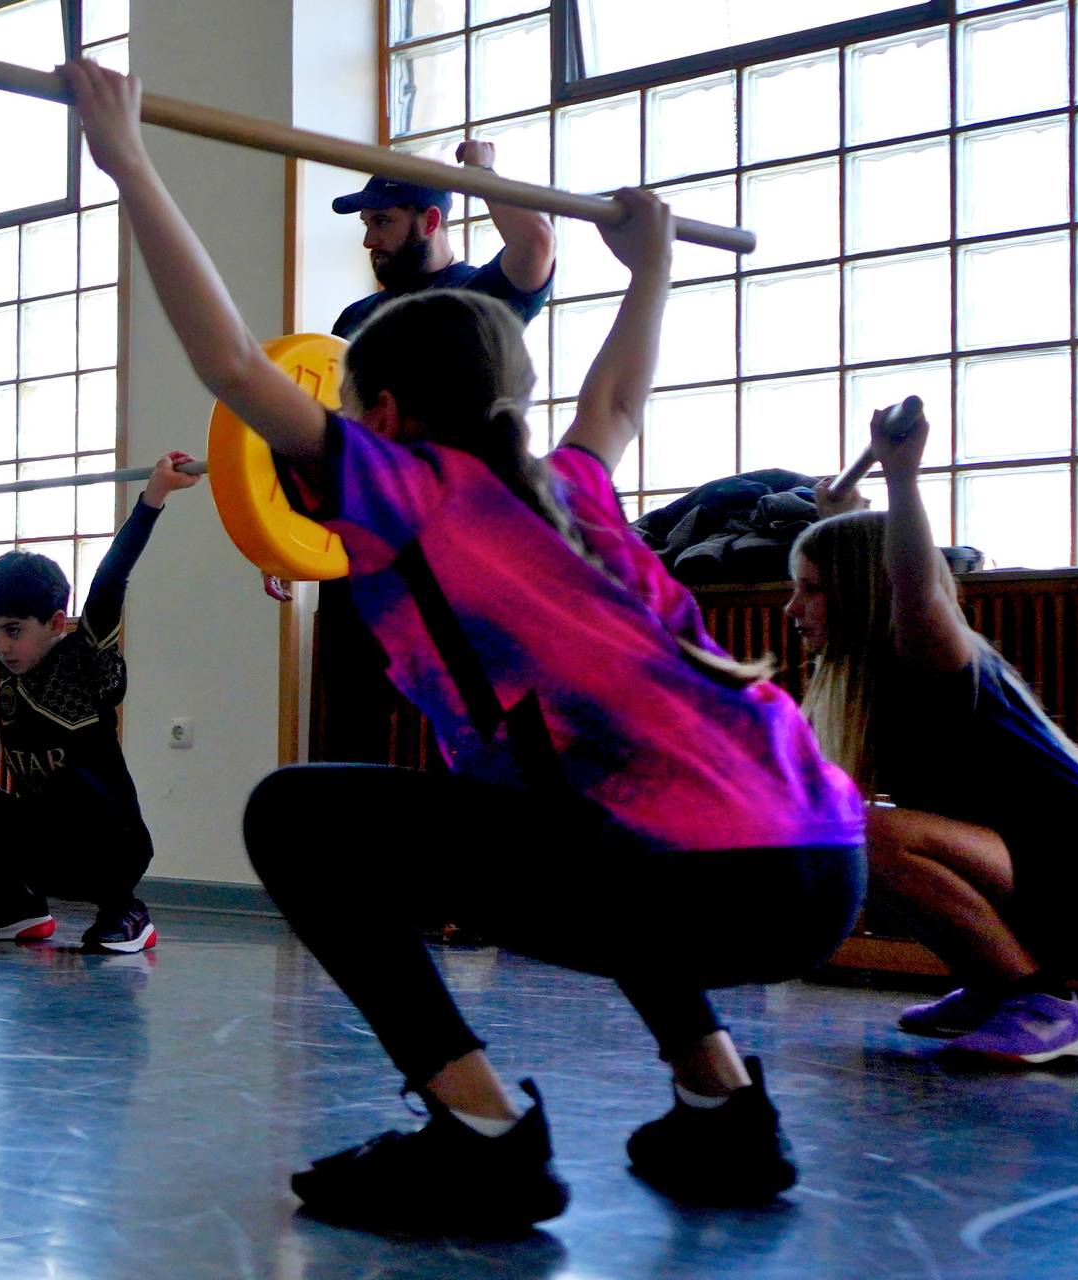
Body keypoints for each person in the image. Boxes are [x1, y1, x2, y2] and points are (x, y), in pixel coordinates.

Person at [67, 60, 867, 1232]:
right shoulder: (574, 491)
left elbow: (232, 365)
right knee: (592, 801)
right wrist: (651, 269)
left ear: (378, 413)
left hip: (689, 880)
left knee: (293, 815)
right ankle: (722, 1108)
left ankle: (480, 1131)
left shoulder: (396, 484)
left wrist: (127, 159)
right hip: (820, 865)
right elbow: (619, 399)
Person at [789, 400, 1078, 1065]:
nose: (791, 608)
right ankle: (997, 987)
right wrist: (842, 521)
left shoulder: (928, 651)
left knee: (862, 829)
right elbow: (875, 566)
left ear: (859, 594)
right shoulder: (881, 670)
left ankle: (1038, 1008)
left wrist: (902, 478)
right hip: (1057, 885)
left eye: (810, 589)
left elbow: (915, 587)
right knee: (857, 825)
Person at [0, 451, 198, 955]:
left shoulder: (83, 663)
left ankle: (125, 910)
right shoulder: (6, 656)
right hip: (45, 846)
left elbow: (111, 579)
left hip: (111, 850)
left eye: (13, 631)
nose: (0, 645)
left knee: (74, 788)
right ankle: (18, 905)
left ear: (56, 623)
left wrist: (156, 495)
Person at [329, 140, 555, 340]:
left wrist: (482, 173)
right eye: (366, 224)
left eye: (382, 221)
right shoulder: (355, 316)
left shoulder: (481, 296)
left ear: (429, 222)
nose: (368, 241)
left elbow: (537, 241)